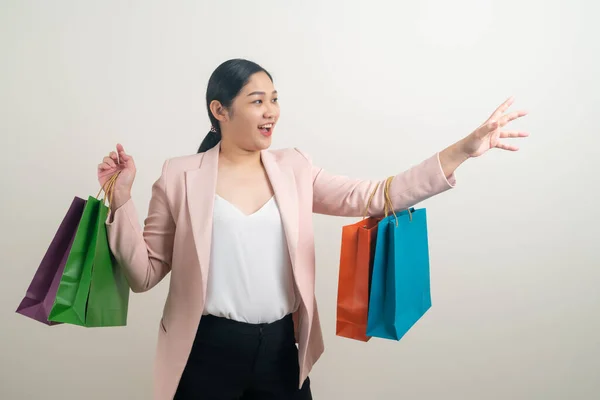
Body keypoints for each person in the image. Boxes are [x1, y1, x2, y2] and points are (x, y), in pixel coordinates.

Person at [97, 58, 528, 400]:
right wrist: (121, 199)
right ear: (219, 110)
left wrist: (463, 150)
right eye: (257, 101)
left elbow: (377, 194)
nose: (272, 112)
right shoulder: (179, 175)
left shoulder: (294, 168)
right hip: (205, 350)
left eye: (274, 100)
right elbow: (144, 275)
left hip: (282, 351)